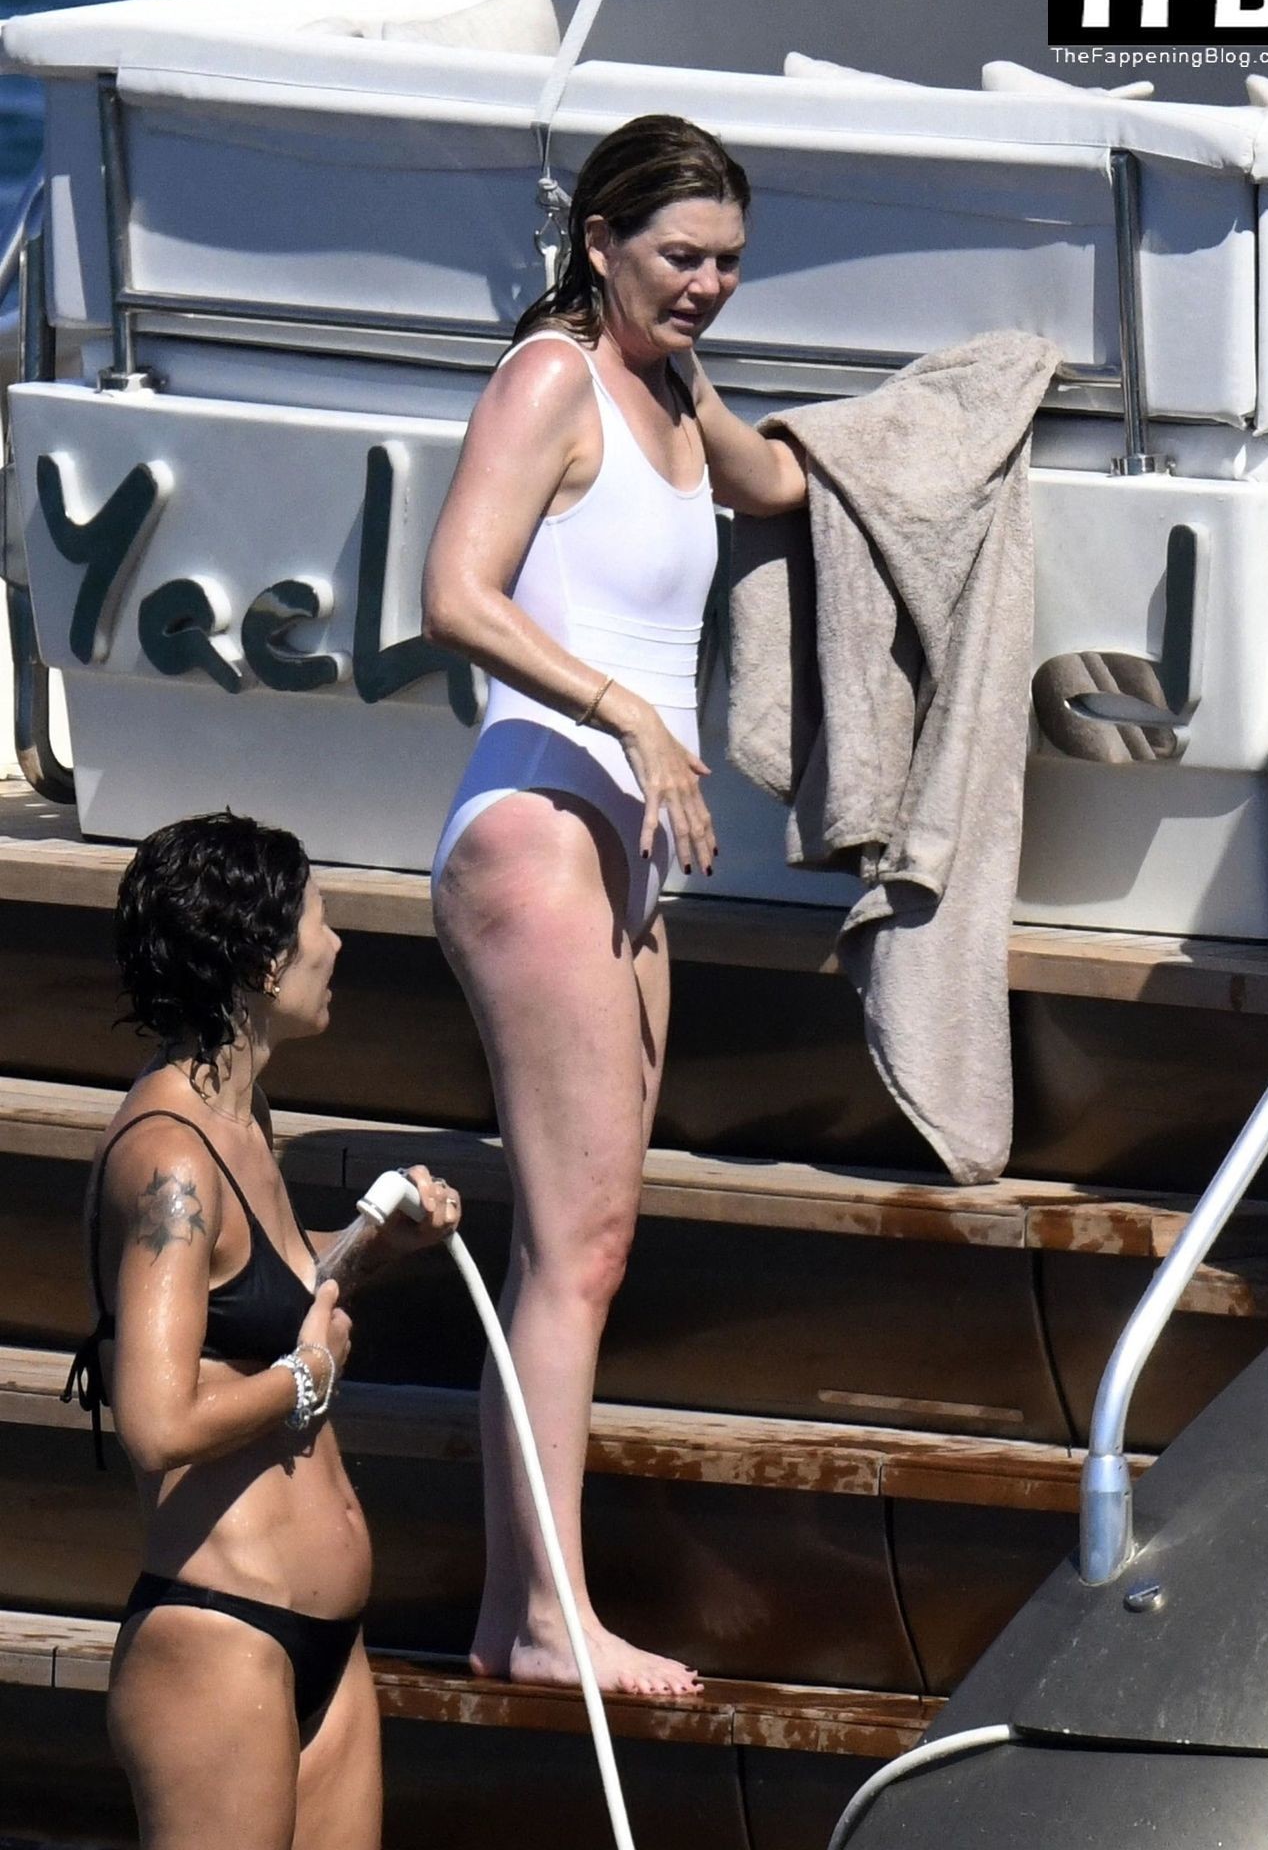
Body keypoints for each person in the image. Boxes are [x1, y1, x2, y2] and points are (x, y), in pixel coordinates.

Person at [422, 113, 808, 1698]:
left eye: (729, 262)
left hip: (623, 851)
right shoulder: (552, 379)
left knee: (582, 1245)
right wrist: (630, 713)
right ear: (598, 242)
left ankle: (511, 1609)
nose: (706, 284)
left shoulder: (672, 388)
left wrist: (945, 421)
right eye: (679, 257)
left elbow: (780, 484)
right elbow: (453, 591)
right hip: (537, 825)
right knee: (577, 1248)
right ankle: (548, 1619)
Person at [63, 810, 461, 1850]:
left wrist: (375, 1244)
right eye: (317, 919)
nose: (336, 943)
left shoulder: (241, 1119)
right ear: (258, 959)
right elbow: (157, 1422)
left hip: (321, 1642)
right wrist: (308, 1377)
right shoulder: (173, 1158)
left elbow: (260, 1296)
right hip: (221, 1637)